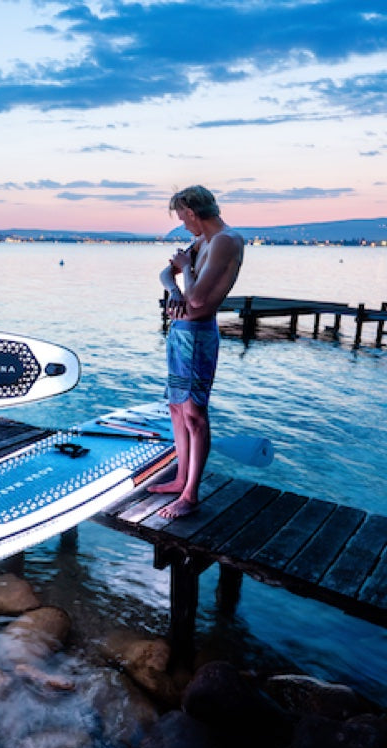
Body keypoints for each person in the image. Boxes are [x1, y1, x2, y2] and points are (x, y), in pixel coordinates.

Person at [149, 185, 244, 518]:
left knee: (195, 415)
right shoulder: (202, 241)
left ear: (191, 212)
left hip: (199, 335)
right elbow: (166, 273)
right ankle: (179, 478)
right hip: (180, 332)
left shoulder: (225, 241)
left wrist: (185, 271)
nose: (182, 225)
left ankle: (190, 496)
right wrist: (173, 287)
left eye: (181, 217)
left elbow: (199, 299)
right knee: (177, 408)